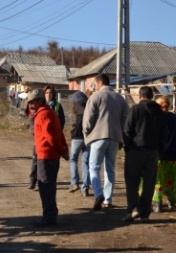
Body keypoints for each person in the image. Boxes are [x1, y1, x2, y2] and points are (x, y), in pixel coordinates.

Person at [83, 74, 129, 211]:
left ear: (101, 83)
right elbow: (125, 121)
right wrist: (121, 136)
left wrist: (87, 134)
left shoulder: (95, 97)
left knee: (94, 167)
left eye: (95, 84)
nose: (94, 86)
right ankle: (108, 199)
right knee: (110, 169)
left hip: (98, 137)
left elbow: (88, 119)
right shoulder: (120, 99)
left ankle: (98, 193)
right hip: (115, 138)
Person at [122, 86, 166, 222]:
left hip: (136, 150)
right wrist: (159, 149)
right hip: (153, 151)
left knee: (132, 180)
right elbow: (163, 134)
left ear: (140, 96)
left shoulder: (135, 109)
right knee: (149, 183)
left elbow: (127, 130)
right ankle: (145, 212)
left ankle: (133, 209)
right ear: (152, 96)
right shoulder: (159, 112)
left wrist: (127, 147)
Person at [27, 89, 69, 226]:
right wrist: (63, 149)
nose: (30, 105)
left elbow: (51, 137)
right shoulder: (48, 113)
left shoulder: (44, 115)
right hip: (48, 156)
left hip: (46, 156)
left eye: (33, 102)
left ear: (40, 101)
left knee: (46, 187)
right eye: (29, 103)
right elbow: (59, 134)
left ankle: (49, 217)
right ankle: (50, 215)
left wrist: (61, 149)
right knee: (48, 186)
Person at [28, 85, 65, 190]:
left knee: (47, 184)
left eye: (50, 93)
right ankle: (32, 180)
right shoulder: (37, 110)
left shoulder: (51, 109)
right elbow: (32, 122)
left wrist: (61, 148)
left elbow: (57, 127)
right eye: (47, 93)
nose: (49, 95)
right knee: (35, 161)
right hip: (40, 140)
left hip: (48, 149)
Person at [150, 97, 176, 212]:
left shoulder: (155, 119)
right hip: (174, 154)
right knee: (171, 179)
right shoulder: (174, 118)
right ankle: (171, 202)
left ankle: (158, 204)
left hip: (159, 154)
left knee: (158, 180)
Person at [69, 91, 91, 196]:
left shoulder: (78, 104)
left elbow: (80, 120)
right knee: (85, 162)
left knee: (73, 159)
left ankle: (74, 183)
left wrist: (74, 131)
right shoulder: (89, 104)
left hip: (78, 137)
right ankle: (85, 187)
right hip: (88, 138)